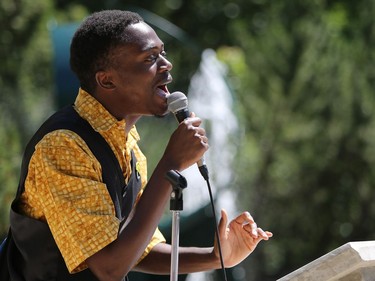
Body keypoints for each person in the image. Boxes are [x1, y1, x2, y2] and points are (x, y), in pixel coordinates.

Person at [11, 10, 272, 281]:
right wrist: (170, 164)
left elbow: (137, 249)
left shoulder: (127, 145)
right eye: (150, 57)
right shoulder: (63, 146)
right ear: (107, 80)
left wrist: (216, 257)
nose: (166, 65)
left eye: (163, 53)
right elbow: (110, 267)